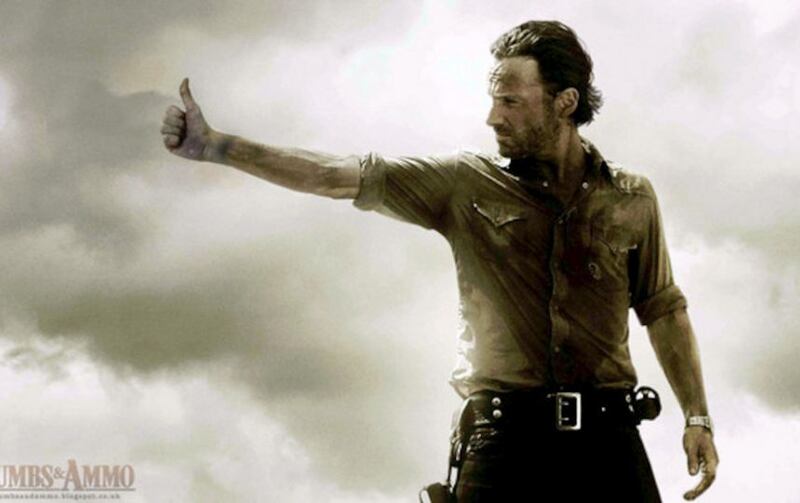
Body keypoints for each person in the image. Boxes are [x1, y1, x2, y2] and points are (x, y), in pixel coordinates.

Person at [161, 20, 718, 502]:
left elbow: (663, 309)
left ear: (565, 103)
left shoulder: (630, 197)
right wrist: (215, 146)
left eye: (511, 102)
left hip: (608, 444)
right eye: (493, 99)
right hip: (504, 445)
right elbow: (333, 175)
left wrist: (697, 417)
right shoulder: (462, 183)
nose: (492, 117)